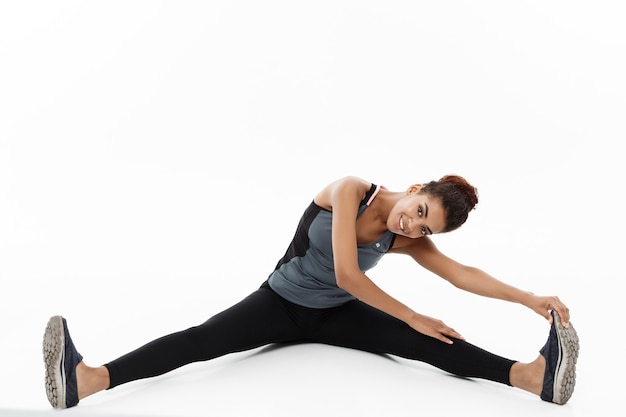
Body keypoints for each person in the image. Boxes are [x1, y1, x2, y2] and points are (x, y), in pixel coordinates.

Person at [42, 175, 579, 409]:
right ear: (415, 190)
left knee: (432, 344)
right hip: (279, 303)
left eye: (426, 230)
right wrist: (411, 315)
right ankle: (86, 381)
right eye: (419, 213)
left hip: (340, 315)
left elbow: (462, 274)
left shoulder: (403, 238)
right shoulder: (350, 190)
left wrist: (530, 298)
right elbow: (348, 273)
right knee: (198, 341)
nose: (414, 228)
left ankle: (532, 379)